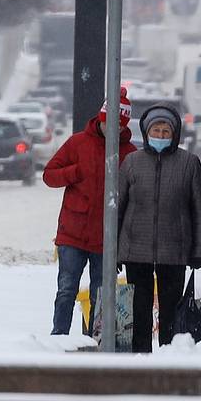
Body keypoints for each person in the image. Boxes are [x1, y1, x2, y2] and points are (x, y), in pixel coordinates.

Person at [116, 103, 201, 352]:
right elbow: (117, 207)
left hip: (175, 250)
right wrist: (114, 249)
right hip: (136, 249)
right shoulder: (131, 162)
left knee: (171, 307)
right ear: (147, 132)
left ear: (175, 134)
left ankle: (170, 352)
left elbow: (200, 210)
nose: (160, 136)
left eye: (165, 131)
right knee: (140, 308)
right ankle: (141, 356)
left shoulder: (189, 163)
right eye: (156, 130)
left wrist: (200, 251)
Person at [43, 87, 135, 336]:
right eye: (109, 123)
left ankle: (97, 343)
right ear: (100, 118)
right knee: (66, 291)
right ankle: (58, 338)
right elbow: (49, 176)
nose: (113, 129)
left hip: (106, 241)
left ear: (125, 127)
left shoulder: (130, 154)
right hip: (72, 236)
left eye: (119, 126)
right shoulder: (77, 143)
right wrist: (74, 173)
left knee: (102, 295)